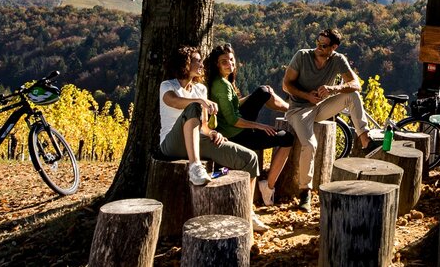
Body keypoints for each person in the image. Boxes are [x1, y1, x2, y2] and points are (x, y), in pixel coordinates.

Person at [158, 45, 269, 232]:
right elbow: (172, 101)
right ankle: (195, 167)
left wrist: (213, 133)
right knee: (192, 107)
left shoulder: (200, 89)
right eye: (196, 60)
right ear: (185, 64)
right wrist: (199, 102)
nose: (201, 64)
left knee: (250, 159)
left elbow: (202, 126)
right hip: (171, 144)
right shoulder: (168, 86)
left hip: (198, 141)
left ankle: (248, 213)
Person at [282, 28, 375, 211]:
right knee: (310, 145)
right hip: (299, 109)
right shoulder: (302, 56)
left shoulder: (338, 60)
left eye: (323, 45)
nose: (318, 47)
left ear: (334, 47)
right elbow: (286, 85)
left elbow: (356, 85)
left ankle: (365, 140)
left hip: (321, 107)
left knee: (353, 96)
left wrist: (334, 89)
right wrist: (306, 96)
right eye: (317, 42)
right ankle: (305, 192)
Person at [204, 43, 294, 207]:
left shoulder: (222, 81)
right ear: (216, 64)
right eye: (224, 61)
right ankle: (268, 186)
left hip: (236, 130)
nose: (230, 64)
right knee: (287, 138)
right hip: (237, 136)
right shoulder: (221, 86)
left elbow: (233, 106)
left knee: (264, 91)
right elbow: (233, 120)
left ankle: (291, 109)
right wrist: (260, 126)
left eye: (231, 60)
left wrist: (252, 96)